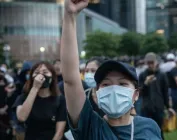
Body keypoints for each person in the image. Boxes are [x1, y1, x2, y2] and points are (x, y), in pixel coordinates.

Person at [61, 1, 162, 139]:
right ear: (97, 94)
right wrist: (69, 16)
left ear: (136, 94)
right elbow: (71, 80)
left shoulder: (149, 127)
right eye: (106, 84)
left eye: (122, 84)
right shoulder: (90, 127)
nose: (114, 90)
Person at [13, 61, 66, 140]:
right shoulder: (23, 97)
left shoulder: (60, 99)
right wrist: (35, 88)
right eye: (37, 72)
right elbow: (21, 117)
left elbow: (59, 132)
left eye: (45, 72)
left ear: (52, 77)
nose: (40, 75)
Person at [139, 52, 175, 140]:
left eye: (152, 62)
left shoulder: (162, 75)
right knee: (146, 131)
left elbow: (165, 92)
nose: (150, 65)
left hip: (159, 107)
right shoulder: (142, 75)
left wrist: (168, 107)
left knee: (159, 131)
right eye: (148, 63)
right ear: (145, 63)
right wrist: (145, 84)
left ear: (156, 62)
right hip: (146, 107)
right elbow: (138, 93)